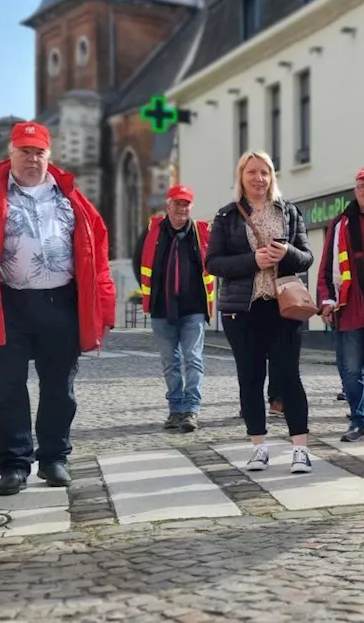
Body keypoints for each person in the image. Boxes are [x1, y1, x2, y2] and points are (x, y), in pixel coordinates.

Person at [0, 121, 115, 496]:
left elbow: (99, 256)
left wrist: (105, 309)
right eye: (24, 151)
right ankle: (13, 464)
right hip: (5, 301)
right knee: (4, 386)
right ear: (10, 154)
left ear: (49, 155)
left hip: (60, 301)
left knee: (60, 387)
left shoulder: (72, 198)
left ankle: (53, 459)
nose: (31, 158)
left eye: (38, 152)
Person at [206, 152, 315, 474]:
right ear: (241, 177)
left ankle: (300, 449)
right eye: (252, 172)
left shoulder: (289, 212)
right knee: (251, 379)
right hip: (243, 310)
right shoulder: (226, 217)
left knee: (288, 377)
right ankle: (259, 448)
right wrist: (253, 260)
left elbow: (306, 257)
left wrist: (288, 253)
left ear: (272, 177)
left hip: (284, 307)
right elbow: (213, 263)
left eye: (264, 172)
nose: (259, 179)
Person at [135, 184, 215, 433]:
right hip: (162, 309)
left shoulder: (202, 232)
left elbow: (214, 264)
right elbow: (139, 263)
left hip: (194, 309)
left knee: (193, 359)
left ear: (191, 207)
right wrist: (155, 291)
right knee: (170, 362)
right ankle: (175, 409)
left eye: (186, 204)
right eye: (177, 203)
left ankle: (191, 410)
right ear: (167, 206)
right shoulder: (153, 230)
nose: (182, 208)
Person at [317, 165, 364, 442]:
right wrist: (325, 299)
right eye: (362, 187)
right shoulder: (341, 223)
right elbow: (326, 267)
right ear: (355, 191)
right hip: (350, 306)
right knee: (351, 369)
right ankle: (359, 420)